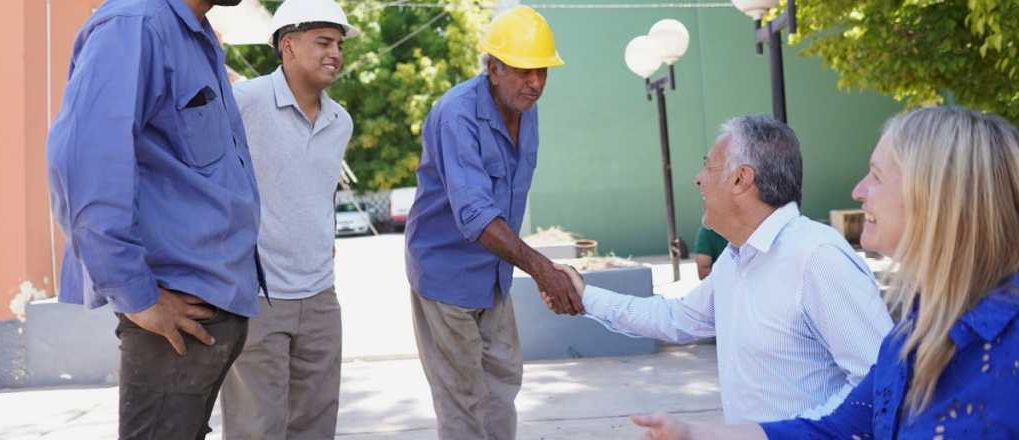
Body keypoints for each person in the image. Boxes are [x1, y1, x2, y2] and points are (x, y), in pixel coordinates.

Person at [630, 106, 1019, 439]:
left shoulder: (1005, 347)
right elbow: (834, 429)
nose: (858, 190)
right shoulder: (915, 332)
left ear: (936, 196)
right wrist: (697, 434)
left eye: (877, 176)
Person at [554, 116, 893, 423]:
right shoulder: (736, 259)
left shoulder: (817, 257)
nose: (698, 179)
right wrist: (584, 296)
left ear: (741, 179)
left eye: (708, 166)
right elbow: (673, 319)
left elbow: (880, 383)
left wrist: (786, 435)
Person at [45, 0, 262, 438]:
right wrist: (138, 297)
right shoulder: (135, 24)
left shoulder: (196, 35)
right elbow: (85, 164)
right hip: (175, 310)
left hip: (206, 305)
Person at [404, 5, 575, 439]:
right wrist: (543, 270)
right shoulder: (456, 114)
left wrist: (533, 269)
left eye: (542, 71)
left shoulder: (526, 109)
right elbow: (476, 215)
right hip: (445, 276)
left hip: (494, 275)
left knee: (502, 388)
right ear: (492, 67)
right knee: (462, 399)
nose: (534, 83)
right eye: (522, 71)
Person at [219, 1, 357, 439]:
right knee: (256, 430)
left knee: (317, 427)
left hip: (320, 298)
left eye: (338, 43)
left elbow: (319, 197)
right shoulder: (244, 103)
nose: (334, 52)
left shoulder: (341, 122)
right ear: (288, 46)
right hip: (257, 298)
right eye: (323, 42)